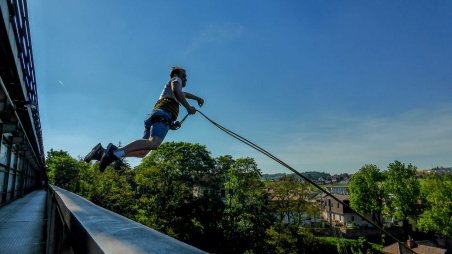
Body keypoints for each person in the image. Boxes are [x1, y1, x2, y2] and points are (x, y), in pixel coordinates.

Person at [84, 66, 204, 171]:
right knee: (154, 143)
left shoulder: (176, 91)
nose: (186, 78)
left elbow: (184, 94)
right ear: (177, 74)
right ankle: (114, 152)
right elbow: (178, 92)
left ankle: (101, 153)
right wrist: (188, 107)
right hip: (161, 115)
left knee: (142, 152)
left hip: (161, 117)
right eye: (184, 75)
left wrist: (197, 99)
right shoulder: (175, 80)